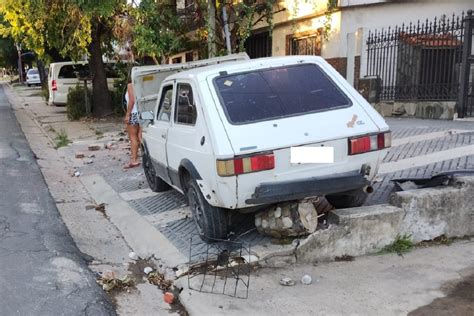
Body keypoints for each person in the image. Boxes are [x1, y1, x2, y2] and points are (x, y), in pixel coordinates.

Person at [124, 80, 141, 168]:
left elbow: (132, 100)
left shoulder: (131, 85)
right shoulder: (142, 83)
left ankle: (134, 159)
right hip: (142, 113)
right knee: (140, 137)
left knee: (133, 137)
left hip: (133, 113)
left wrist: (128, 114)